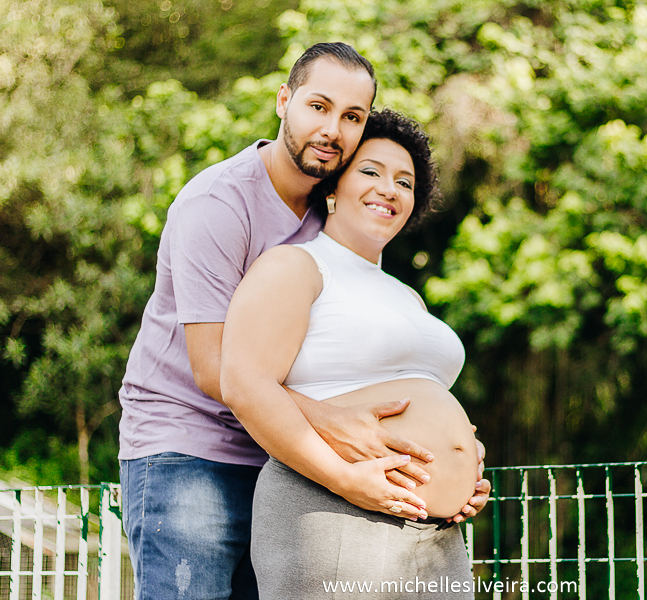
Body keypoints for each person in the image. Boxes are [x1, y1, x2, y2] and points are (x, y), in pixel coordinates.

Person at [117, 42, 489, 599]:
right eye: (319, 106)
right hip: (191, 450)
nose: (333, 128)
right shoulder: (218, 204)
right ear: (283, 100)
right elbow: (218, 371)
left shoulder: (333, 212)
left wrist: (440, 447)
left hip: (280, 453)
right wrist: (335, 424)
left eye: (352, 117)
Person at [220, 108, 481, 599]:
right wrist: (347, 481)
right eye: (371, 172)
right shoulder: (295, 266)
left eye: (405, 182)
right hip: (333, 510)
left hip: (433, 532)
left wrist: (463, 463)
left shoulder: (408, 298)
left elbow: (421, 401)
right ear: (333, 188)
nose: (390, 189)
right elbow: (243, 384)